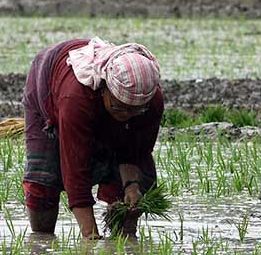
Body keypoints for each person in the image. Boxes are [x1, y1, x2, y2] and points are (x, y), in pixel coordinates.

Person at [23, 37, 163, 239]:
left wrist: (131, 186)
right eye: (119, 107)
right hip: (48, 91)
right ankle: (41, 240)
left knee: (128, 202)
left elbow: (136, 151)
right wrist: (89, 235)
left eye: (135, 110)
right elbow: (74, 166)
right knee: (44, 180)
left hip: (97, 106)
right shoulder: (76, 99)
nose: (126, 115)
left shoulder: (151, 101)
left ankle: (123, 239)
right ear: (105, 88)